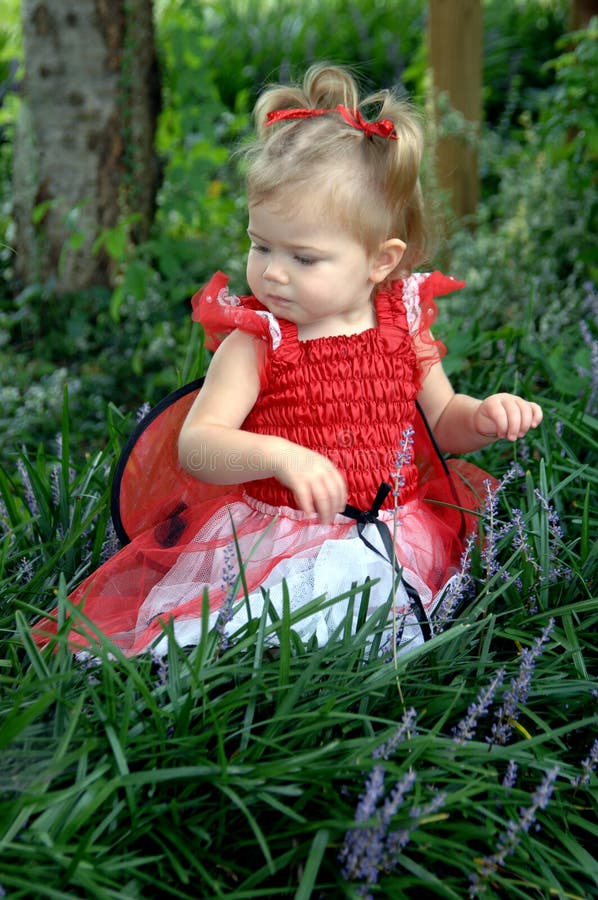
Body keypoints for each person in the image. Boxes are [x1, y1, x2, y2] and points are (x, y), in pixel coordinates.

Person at [36, 65, 542, 657]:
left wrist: (482, 417)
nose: (273, 271)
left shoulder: (402, 323)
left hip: (391, 528)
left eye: (303, 257)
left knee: (377, 631)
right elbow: (197, 445)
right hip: (275, 534)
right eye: (260, 245)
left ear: (381, 260)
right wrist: (278, 455)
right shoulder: (257, 340)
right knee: (256, 633)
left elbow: (442, 420)